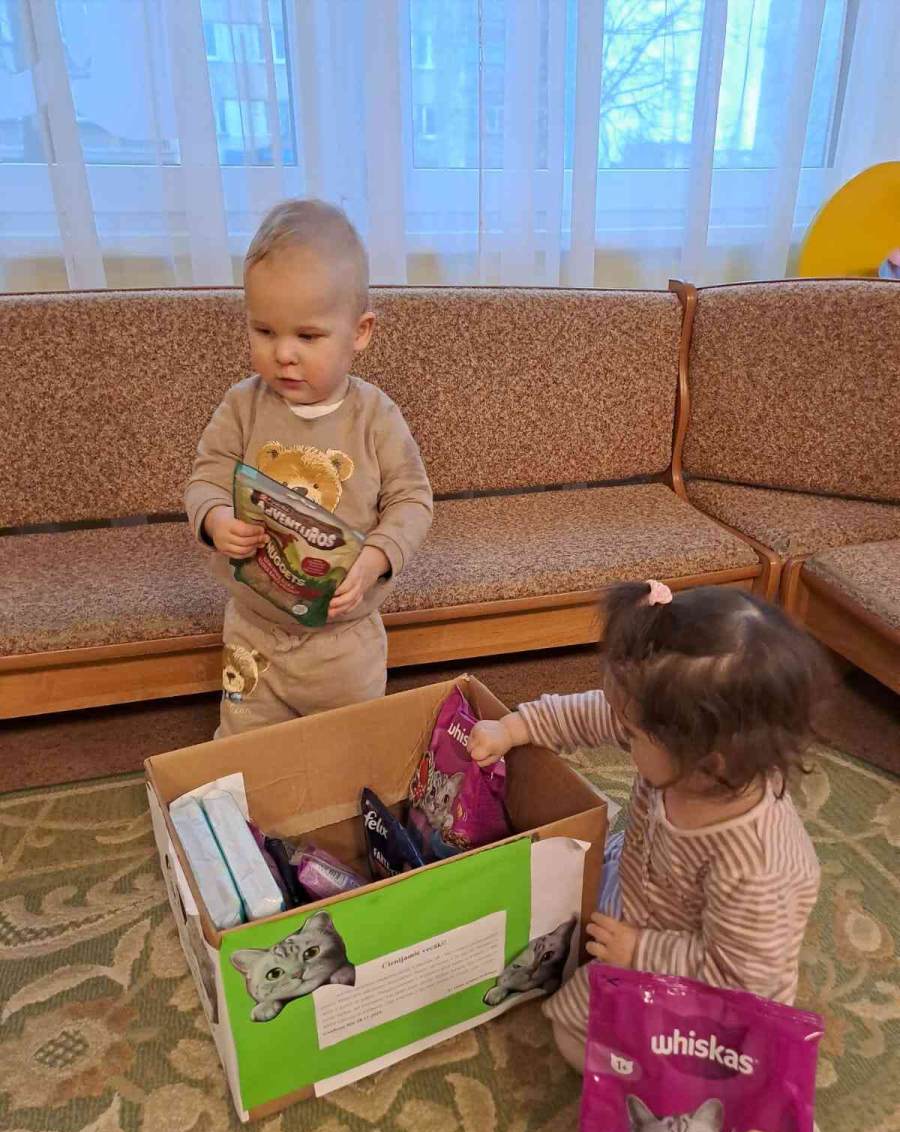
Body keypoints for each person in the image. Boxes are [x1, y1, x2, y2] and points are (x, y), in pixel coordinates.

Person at [468, 581, 828, 1067]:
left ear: (708, 763)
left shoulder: (758, 867)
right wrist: (515, 727)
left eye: (633, 735)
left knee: (576, 1038)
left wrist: (641, 950)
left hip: (705, 981)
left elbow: (741, 980)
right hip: (644, 884)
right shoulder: (682, 744)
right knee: (557, 891)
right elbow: (597, 715)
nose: (623, 735)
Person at [186, 199, 432, 736]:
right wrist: (215, 519)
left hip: (344, 642)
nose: (283, 354)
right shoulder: (242, 406)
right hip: (253, 632)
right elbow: (206, 477)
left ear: (360, 332)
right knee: (243, 747)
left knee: (349, 751)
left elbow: (412, 500)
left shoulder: (375, 417)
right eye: (264, 331)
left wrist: (376, 558)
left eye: (308, 336)